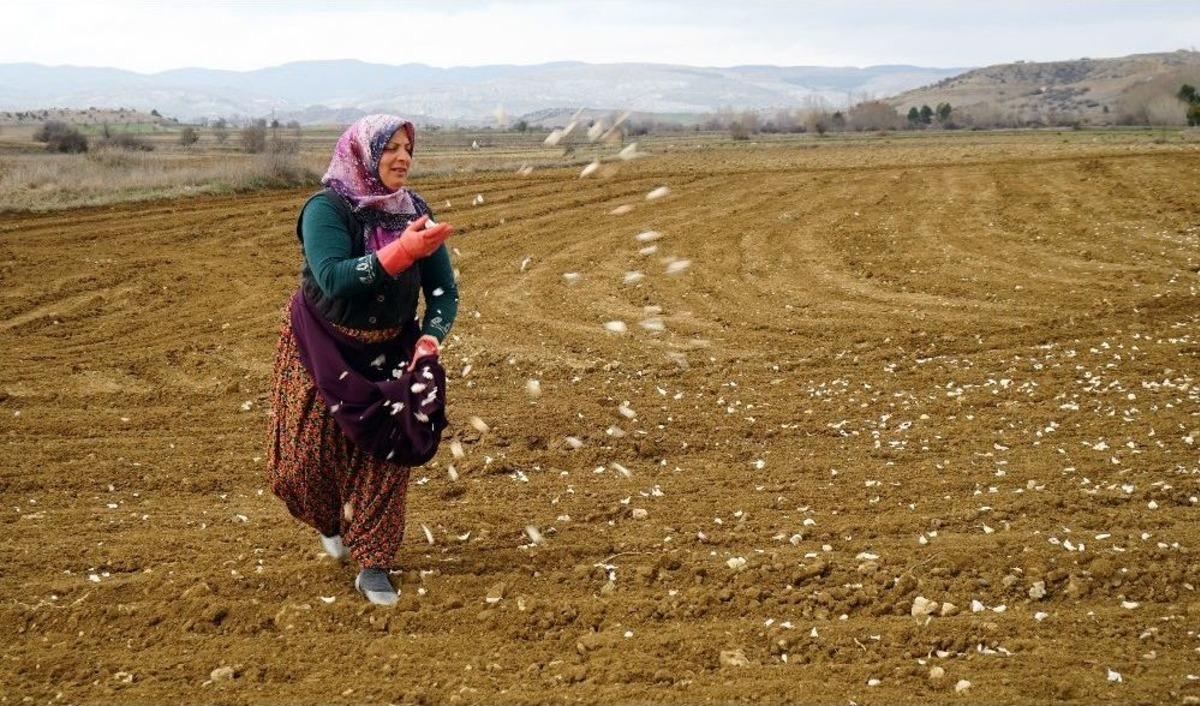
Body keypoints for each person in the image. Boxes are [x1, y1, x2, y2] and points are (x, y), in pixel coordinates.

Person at [266, 114, 458, 606]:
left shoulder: (414, 209)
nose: (403, 158)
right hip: (323, 344)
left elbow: (443, 292)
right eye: (390, 148)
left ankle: (374, 563)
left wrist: (429, 339)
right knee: (300, 466)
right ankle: (328, 520)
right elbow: (333, 278)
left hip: (393, 347)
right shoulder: (326, 209)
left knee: (387, 450)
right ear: (363, 154)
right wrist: (401, 251)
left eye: (408, 149)